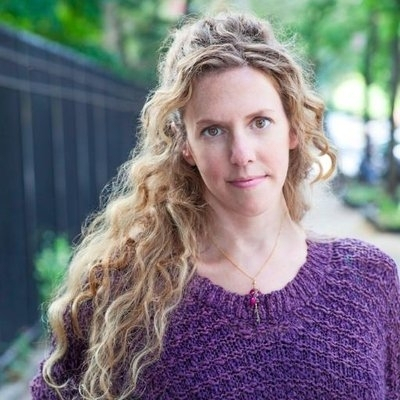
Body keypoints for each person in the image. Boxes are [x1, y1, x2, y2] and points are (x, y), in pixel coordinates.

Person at [31, 11, 400, 400]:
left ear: (293, 128)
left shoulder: (369, 279)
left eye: (260, 122)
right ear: (185, 146)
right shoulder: (126, 295)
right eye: (213, 130)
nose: (241, 154)